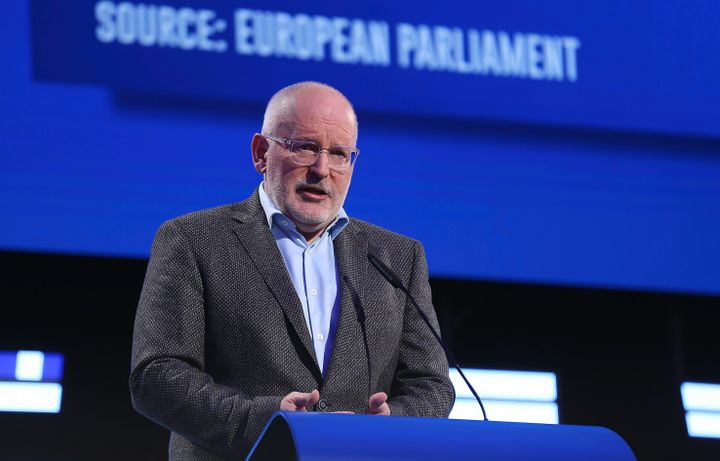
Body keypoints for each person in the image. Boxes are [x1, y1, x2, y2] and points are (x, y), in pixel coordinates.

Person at [130, 81, 454, 460]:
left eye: (338, 154)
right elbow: (156, 376)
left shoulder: (397, 257)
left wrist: (391, 424)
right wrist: (269, 422)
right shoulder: (193, 240)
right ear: (260, 153)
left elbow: (431, 384)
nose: (322, 169)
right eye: (305, 147)